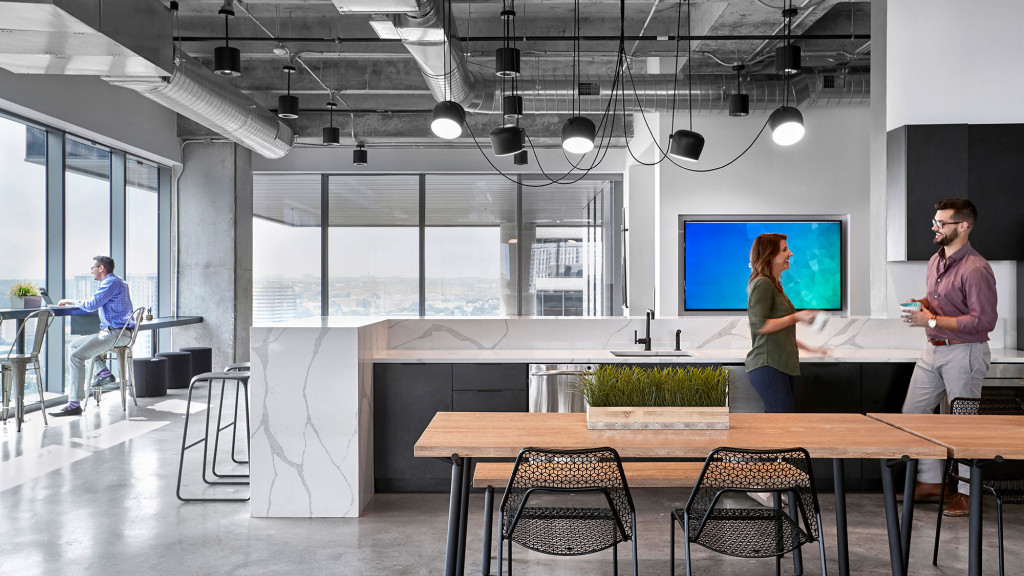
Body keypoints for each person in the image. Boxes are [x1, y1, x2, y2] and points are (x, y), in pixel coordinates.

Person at [902, 198, 997, 517]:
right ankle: (930, 482)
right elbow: (939, 299)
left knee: (964, 426)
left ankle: (967, 493)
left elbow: (983, 322)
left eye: (941, 223)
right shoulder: (935, 260)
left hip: (964, 353)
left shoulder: (977, 268)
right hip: (933, 351)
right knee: (914, 414)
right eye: (935, 221)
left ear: (963, 226)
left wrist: (928, 320)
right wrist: (922, 302)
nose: (935, 227)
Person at [49, 256, 136, 417]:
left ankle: (74, 404)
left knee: (76, 356)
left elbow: (91, 305)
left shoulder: (111, 282)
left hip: (116, 334)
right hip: (116, 333)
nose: (91, 271)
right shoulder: (118, 282)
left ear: (101, 268)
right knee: (74, 345)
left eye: (92, 268)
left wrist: (70, 301)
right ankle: (103, 374)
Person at [745, 233, 819, 413]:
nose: (790, 253)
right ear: (770, 256)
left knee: (777, 427)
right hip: (768, 366)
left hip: (779, 365)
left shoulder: (775, 285)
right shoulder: (762, 283)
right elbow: (760, 326)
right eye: (784, 250)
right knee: (784, 425)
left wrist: (811, 349)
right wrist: (796, 317)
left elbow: (780, 334)